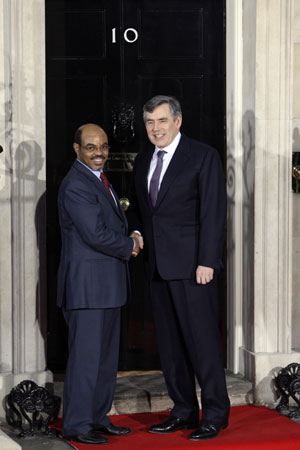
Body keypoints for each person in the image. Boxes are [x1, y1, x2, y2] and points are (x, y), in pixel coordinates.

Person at [127, 95, 230, 441]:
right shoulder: (143, 160)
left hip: (193, 269)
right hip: (158, 268)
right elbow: (141, 211)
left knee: (202, 345)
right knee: (170, 348)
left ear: (178, 121)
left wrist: (207, 261)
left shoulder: (202, 156)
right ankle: (184, 410)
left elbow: (214, 214)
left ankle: (215, 414)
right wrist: (137, 232)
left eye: (162, 121)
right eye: (150, 123)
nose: (156, 129)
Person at [57, 123, 142, 445]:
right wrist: (129, 244)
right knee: (86, 360)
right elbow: (94, 234)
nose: (99, 153)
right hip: (88, 288)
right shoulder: (76, 184)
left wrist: (129, 236)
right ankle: (77, 425)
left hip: (107, 286)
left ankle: (97, 417)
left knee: (106, 360)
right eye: (91, 147)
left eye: (104, 147)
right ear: (77, 149)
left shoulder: (99, 180)